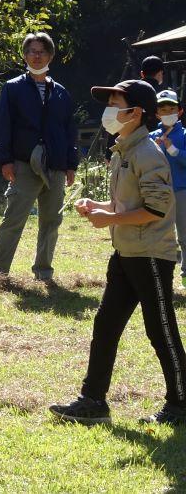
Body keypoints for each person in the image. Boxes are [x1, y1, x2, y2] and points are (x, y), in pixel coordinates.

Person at [50, 79, 186, 425]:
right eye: (109, 103)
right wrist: (99, 205)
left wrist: (110, 217)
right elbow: (129, 203)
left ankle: (181, 403)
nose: (109, 111)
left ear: (136, 112)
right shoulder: (123, 149)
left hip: (151, 255)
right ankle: (93, 400)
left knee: (161, 329)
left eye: (116, 104)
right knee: (106, 324)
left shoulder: (147, 152)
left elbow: (156, 209)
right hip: (126, 252)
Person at [0, 32, 78, 281]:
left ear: (50, 55)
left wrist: (71, 165)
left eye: (41, 51)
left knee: (51, 221)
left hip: (56, 165)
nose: (36, 56)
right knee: (13, 219)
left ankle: (44, 272)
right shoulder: (13, 88)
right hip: (23, 164)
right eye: (31, 51)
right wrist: (5, 159)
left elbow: (69, 130)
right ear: (24, 56)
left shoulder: (60, 92)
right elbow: (3, 125)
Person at [151, 89, 186, 284]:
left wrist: (174, 150)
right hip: (157, 192)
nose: (167, 113)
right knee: (159, 236)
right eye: (163, 109)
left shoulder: (185, 135)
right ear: (157, 114)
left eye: (171, 108)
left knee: (184, 235)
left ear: (179, 111)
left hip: (182, 191)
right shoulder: (151, 137)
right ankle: (160, 277)